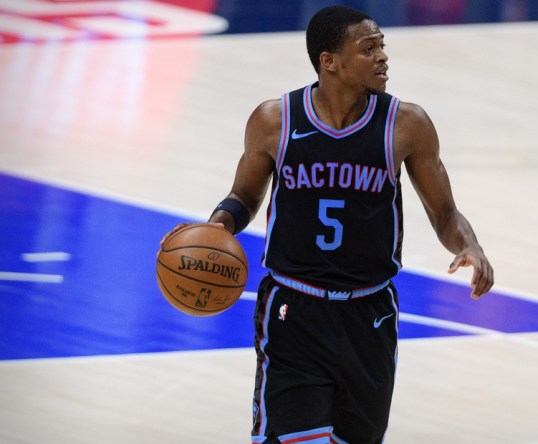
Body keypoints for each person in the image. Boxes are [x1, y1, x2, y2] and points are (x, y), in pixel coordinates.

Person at [163, 5, 493, 443]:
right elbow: (244, 196)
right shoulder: (274, 120)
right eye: (368, 48)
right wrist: (219, 226)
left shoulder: (406, 125)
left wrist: (468, 246)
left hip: (370, 313)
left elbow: (445, 213)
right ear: (329, 60)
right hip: (294, 309)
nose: (382, 57)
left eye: (382, 46)